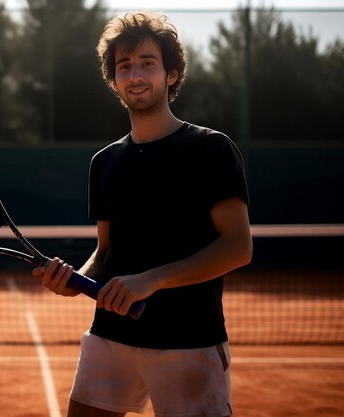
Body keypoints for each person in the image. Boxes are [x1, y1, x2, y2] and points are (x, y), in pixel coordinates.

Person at [33, 11, 253, 417]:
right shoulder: (104, 163)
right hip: (110, 336)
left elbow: (238, 247)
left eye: (148, 63)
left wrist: (150, 280)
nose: (136, 74)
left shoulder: (211, 150)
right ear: (114, 80)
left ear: (171, 74)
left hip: (189, 341)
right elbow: (105, 252)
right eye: (125, 66)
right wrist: (74, 279)